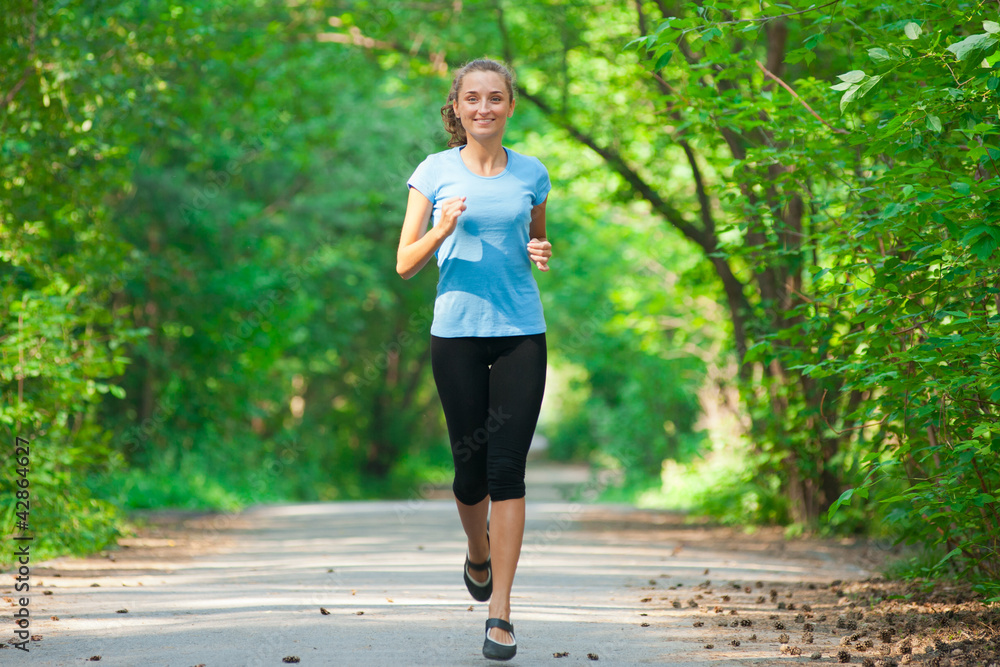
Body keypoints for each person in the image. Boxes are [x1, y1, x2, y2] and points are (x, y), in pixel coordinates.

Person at [396, 57, 552, 661]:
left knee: (507, 470)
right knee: (469, 472)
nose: (483, 108)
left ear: (510, 107)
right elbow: (406, 262)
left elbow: (535, 238)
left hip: (520, 332)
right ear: (456, 109)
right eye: (472, 99)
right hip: (457, 333)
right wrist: (443, 228)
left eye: (495, 98)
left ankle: (501, 613)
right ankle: (478, 553)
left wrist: (540, 249)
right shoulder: (433, 172)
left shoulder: (533, 173)